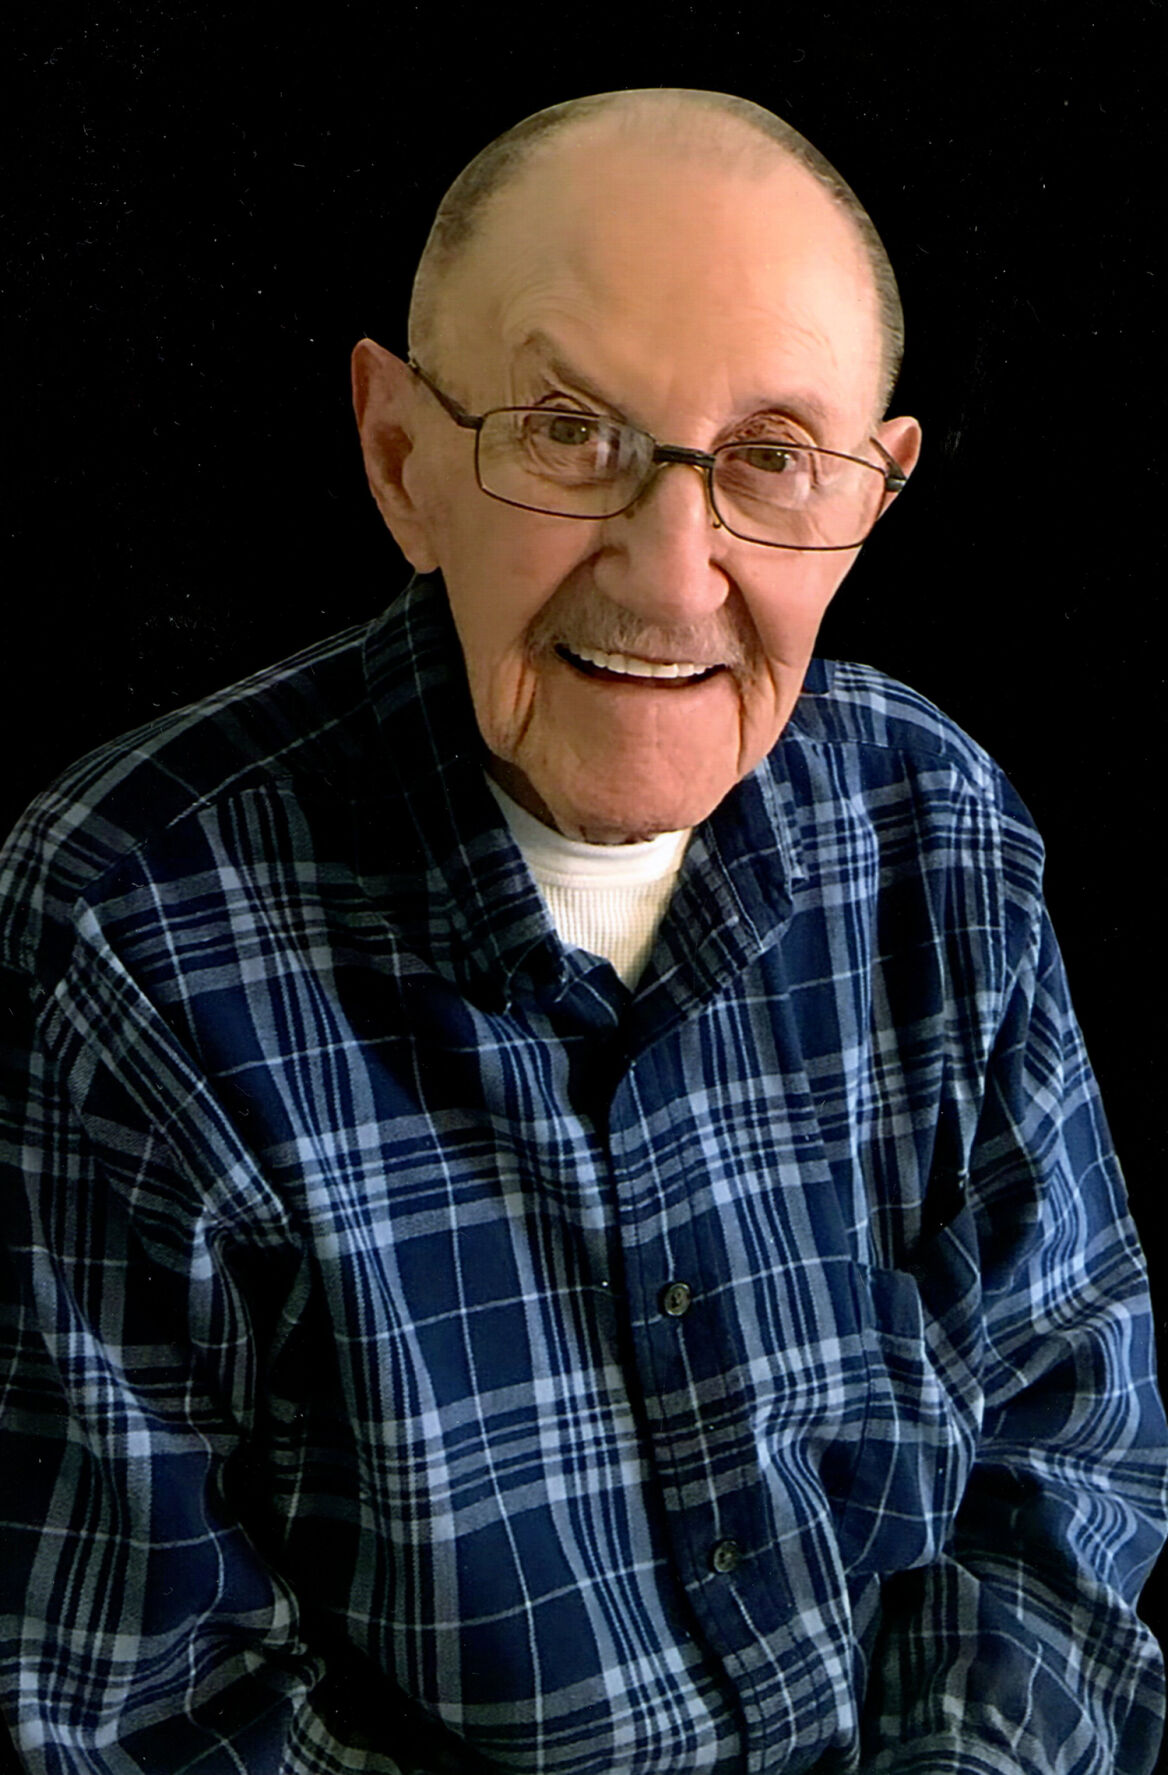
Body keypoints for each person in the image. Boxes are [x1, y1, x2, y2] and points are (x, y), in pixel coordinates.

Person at [0, 86, 1164, 1775]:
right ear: (403, 460)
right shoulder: (126, 940)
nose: (674, 576)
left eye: (773, 457)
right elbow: (150, 1713)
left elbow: (1063, 1451)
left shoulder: (941, 831)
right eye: (570, 432)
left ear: (872, 491)